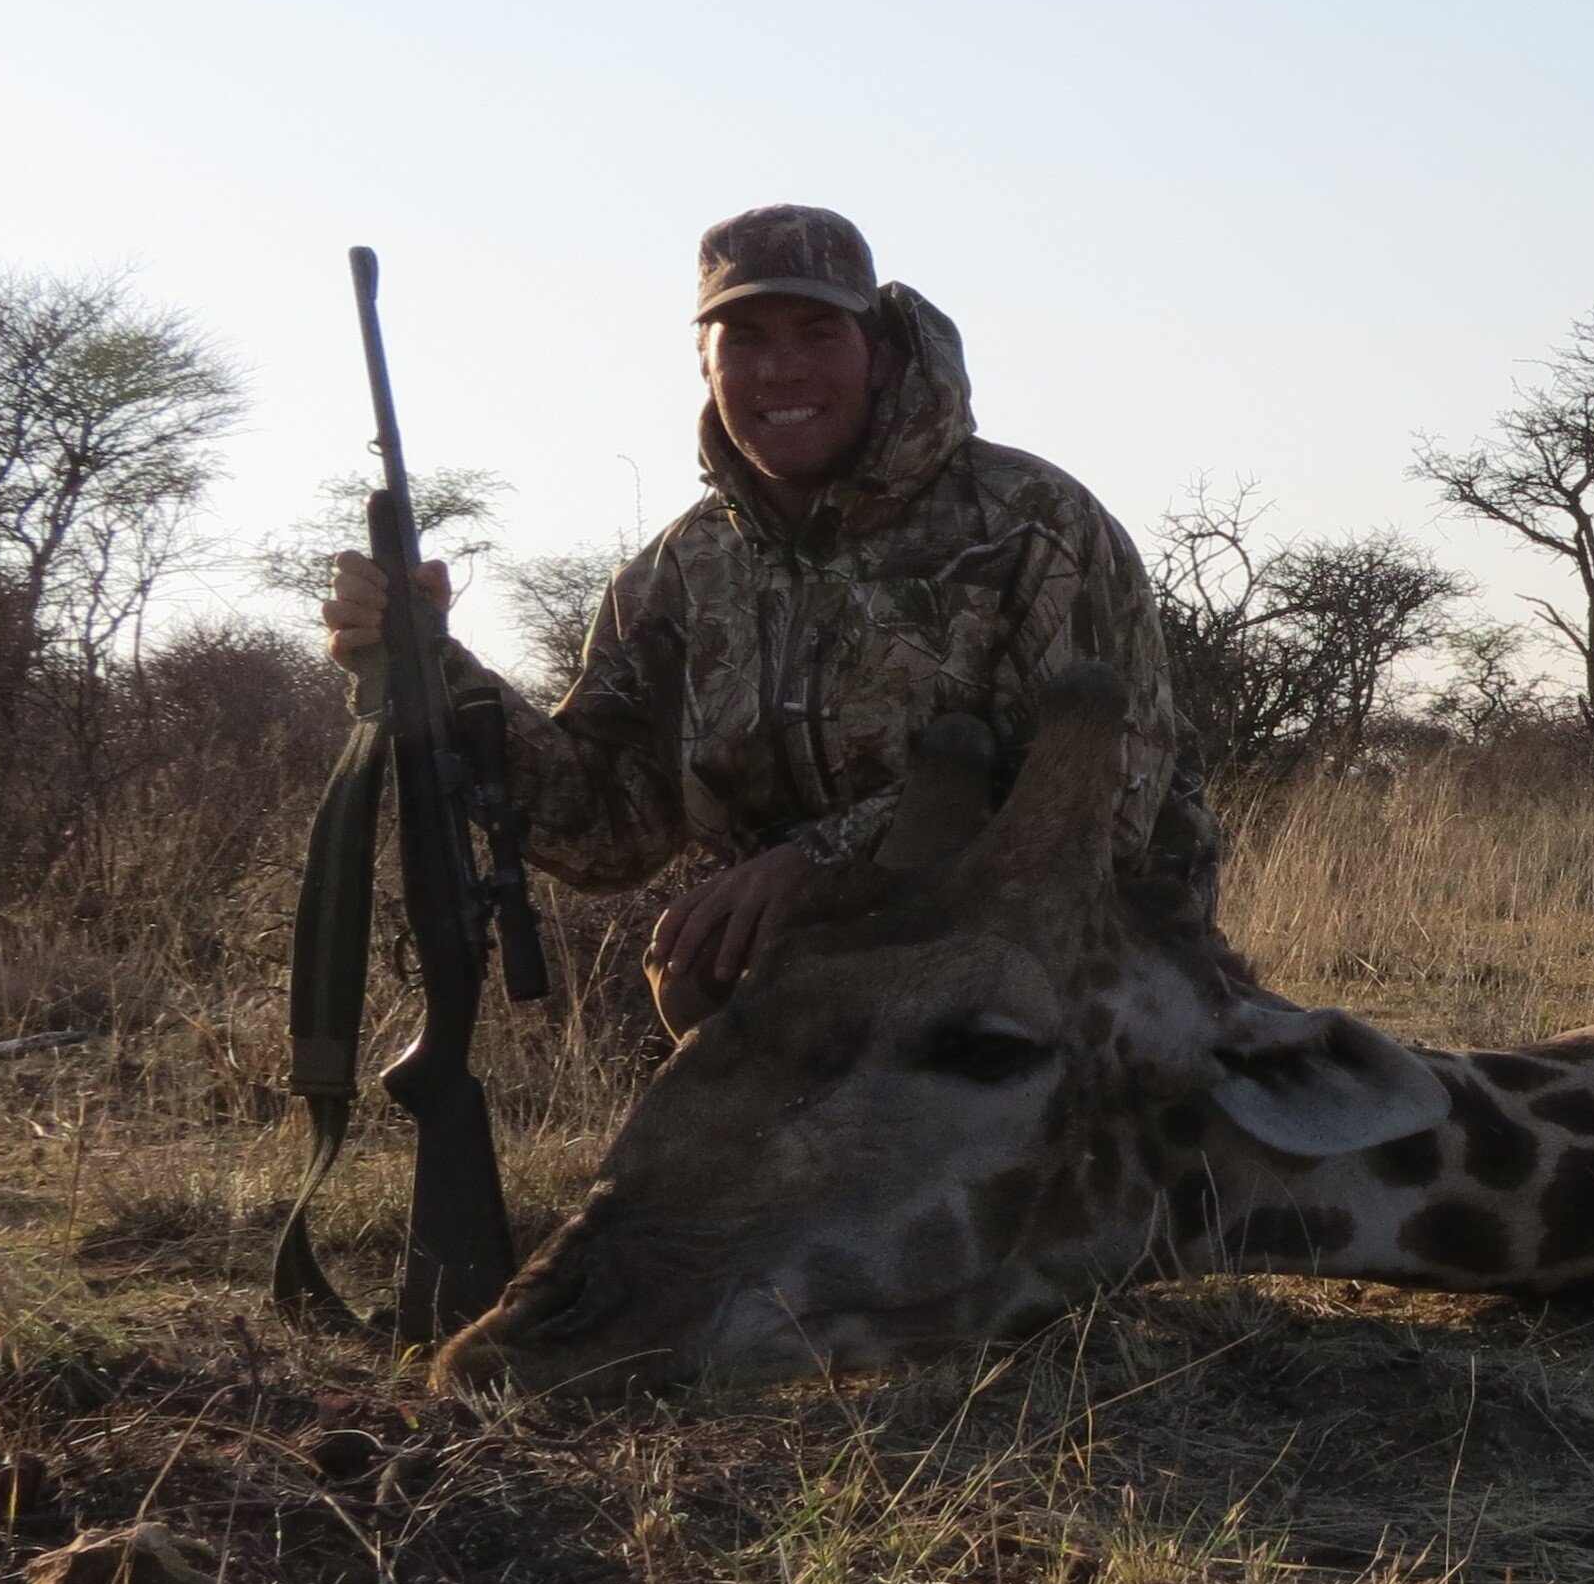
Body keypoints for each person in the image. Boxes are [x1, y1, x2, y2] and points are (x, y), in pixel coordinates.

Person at [322, 204, 1194, 1017]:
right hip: (801, 988)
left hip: (1061, 969)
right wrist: (434, 669)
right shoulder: (678, 570)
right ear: (705, 363)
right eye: (745, 340)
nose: (781, 371)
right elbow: (607, 830)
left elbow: (1101, 812)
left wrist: (823, 863)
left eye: (817, 334)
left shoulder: (1036, 522)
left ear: (881, 354)